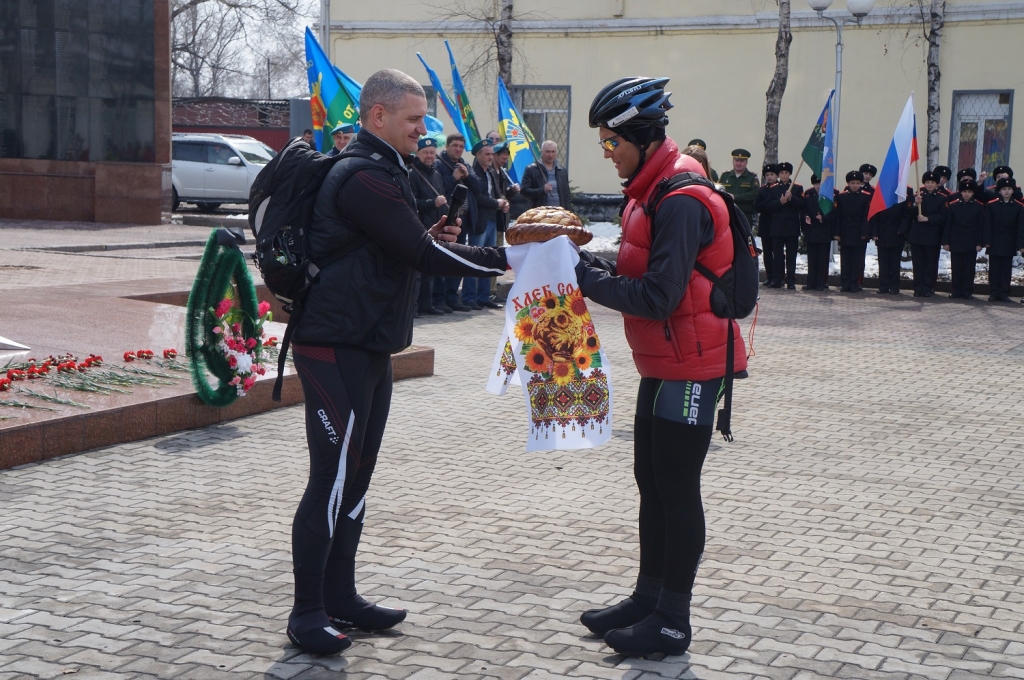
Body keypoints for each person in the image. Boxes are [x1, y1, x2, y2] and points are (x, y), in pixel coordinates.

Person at [287, 69, 509, 657]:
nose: (424, 129)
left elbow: (401, 243)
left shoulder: (389, 170)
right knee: (331, 480)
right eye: (414, 119)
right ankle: (306, 612)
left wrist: (432, 234)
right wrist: (508, 258)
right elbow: (419, 252)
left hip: (368, 343)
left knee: (356, 476)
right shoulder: (363, 173)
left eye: (424, 119)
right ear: (377, 116)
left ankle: (341, 595)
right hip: (334, 343)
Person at [574, 76, 747, 658]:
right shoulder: (650, 192)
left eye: (610, 142)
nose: (607, 153)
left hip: (692, 366)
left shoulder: (677, 199)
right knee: (651, 482)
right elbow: (637, 265)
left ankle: (673, 620)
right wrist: (579, 256)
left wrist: (583, 278)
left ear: (643, 137)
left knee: (677, 488)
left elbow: (658, 295)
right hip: (664, 360)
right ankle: (648, 598)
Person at [434, 133, 481, 312]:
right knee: (442, 259)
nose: (458, 149)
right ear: (447, 146)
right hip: (445, 218)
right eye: (455, 146)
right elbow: (438, 188)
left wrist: (467, 175)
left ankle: (452, 297)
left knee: (458, 260)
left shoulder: (465, 164)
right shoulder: (439, 164)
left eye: (461, 146)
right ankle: (439, 299)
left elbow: (478, 188)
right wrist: (453, 177)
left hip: (464, 220)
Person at [464, 139, 507, 310]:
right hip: (479, 221)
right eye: (487, 154)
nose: (490, 157)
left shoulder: (490, 171)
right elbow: (478, 197)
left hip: (492, 219)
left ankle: (484, 296)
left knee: (488, 259)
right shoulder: (473, 173)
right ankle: (468, 297)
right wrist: (496, 203)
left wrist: (503, 201)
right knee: (475, 259)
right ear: (478, 155)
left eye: (491, 154)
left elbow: (496, 193)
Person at [409, 137, 448, 316]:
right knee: (417, 272)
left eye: (432, 152)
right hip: (419, 225)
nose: (429, 156)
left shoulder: (436, 174)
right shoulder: (412, 174)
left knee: (430, 268)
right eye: (426, 152)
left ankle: (427, 304)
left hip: (435, 225)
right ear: (418, 153)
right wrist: (433, 203)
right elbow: (411, 202)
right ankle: (414, 307)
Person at [763, 161, 804, 289]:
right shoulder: (773, 188)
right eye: (781, 173)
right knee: (777, 254)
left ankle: (791, 279)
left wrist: (792, 199)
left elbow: (802, 204)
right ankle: (777, 278)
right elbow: (768, 206)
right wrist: (779, 202)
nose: (784, 175)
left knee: (791, 254)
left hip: (792, 226)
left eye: (786, 173)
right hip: (777, 226)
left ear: (790, 173)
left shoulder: (797, 188)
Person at [942, 177, 985, 299]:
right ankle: (956, 290)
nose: (967, 194)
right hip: (956, 240)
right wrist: (946, 242)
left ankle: (967, 291)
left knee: (969, 268)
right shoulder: (953, 205)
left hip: (971, 242)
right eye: (965, 191)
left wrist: (979, 243)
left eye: (969, 192)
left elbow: (981, 226)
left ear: (973, 193)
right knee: (956, 267)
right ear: (961, 192)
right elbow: (948, 224)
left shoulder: (979, 206)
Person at [984, 177, 1024, 302]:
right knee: (994, 268)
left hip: (1009, 241)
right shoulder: (991, 205)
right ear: (999, 191)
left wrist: (1020, 244)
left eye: (1009, 189)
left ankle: (1004, 292)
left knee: (1006, 268)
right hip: (995, 241)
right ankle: (994, 291)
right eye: (1003, 189)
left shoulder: (1018, 207)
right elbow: (987, 225)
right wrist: (987, 241)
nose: (1006, 191)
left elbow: (1020, 227)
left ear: (1013, 191)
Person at [831, 170, 872, 292]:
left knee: (857, 261)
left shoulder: (866, 196)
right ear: (848, 183)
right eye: (852, 183)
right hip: (845, 233)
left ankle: (855, 283)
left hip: (859, 234)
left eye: (857, 183)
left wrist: (865, 233)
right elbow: (838, 216)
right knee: (845, 260)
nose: (855, 185)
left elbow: (867, 216)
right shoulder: (842, 196)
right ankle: (845, 283)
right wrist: (837, 233)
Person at [909, 171, 947, 297]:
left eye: (932, 182)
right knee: (918, 263)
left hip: (932, 236)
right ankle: (917, 287)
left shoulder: (942, 198)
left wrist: (928, 219)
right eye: (927, 182)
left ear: (937, 184)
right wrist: (915, 204)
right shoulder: (918, 196)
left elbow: (943, 217)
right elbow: (909, 215)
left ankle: (928, 287)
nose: (930, 185)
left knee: (930, 263)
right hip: (917, 236)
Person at [491, 142, 521, 300]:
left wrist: (511, 192)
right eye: (502, 159)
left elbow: (503, 195)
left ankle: (493, 289)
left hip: (501, 219)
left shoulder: (501, 172)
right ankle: (489, 291)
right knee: (493, 254)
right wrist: (502, 201)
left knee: (499, 253)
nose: (504, 162)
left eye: (505, 160)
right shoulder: (490, 172)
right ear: (494, 155)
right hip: (492, 218)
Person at [870, 186, 913, 294]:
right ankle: (883, 285)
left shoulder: (902, 198)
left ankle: (894, 286)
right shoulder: (881, 198)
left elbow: (906, 216)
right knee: (883, 262)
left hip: (896, 234)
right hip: (882, 233)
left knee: (894, 262)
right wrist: (874, 232)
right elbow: (875, 215)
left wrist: (901, 230)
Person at [802, 174, 833, 291]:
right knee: (812, 259)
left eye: (820, 184)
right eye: (816, 184)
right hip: (812, 231)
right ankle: (810, 283)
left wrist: (823, 218)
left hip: (824, 232)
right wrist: (806, 217)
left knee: (822, 259)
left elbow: (834, 213)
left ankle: (820, 283)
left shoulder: (829, 196)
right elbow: (804, 210)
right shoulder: (809, 195)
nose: (818, 186)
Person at [521, 140, 570, 209]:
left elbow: (566, 194)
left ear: (556, 152)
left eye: (553, 151)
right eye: (547, 152)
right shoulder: (532, 169)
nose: (550, 155)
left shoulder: (562, 170)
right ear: (542, 152)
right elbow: (524, 192)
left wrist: (567, 211)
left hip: (559, 213)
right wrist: (542, 190)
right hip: (540, 213)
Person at [718, 149, 760, 226]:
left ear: (746, 162)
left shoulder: (752, 177)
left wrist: (735, 197)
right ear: (733, 161)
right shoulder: (725, 176)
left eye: (742, 161)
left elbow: (755, 194)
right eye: (736, 160)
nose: (738, 163)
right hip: (727, 213)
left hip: (744, 215)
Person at [754, 164, 779, 286]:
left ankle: (778, 276)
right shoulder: (762, 190)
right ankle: (769, 276)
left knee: (777, 252)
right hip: (765, 225)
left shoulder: (781, 188)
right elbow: (758, 206)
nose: (769, 177)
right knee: (767, 252)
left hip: (778, 225)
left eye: (772, 175)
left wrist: (769, 205)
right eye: (767, 175)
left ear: (777, 175)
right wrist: (771, 205)